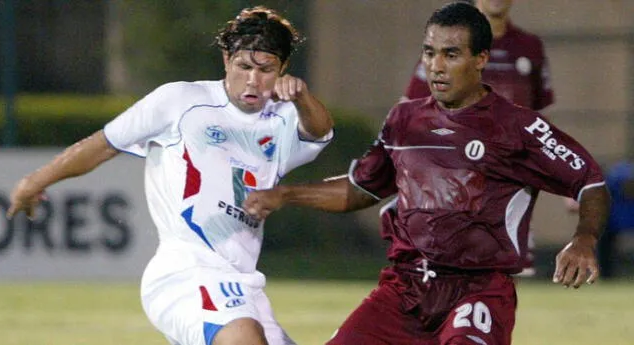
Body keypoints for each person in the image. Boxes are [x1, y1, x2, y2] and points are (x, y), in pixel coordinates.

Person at [244, 3, 609, 344]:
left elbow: (590, 181)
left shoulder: (517, 127)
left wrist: (584, 240)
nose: (436, 65)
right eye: (429, 52)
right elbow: (360, 189)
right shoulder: (404, 120)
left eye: (451, 54)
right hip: (405, 288)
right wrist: (285, 194)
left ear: (480, 59)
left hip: (478, 290)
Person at [6, 6, 333, 345]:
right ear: (226, 59)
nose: (253, 79)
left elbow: (319, 132)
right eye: (244, 66)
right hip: (185, 274)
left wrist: (302, 97)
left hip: (244, 283)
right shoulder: (180, 101)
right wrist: (35, 181)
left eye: (265, 70)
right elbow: (104, 144)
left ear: (283, 69)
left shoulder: (281, 120)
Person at [403, 0, 555, 277]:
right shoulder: (445, 46)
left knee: (506, 274)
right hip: (453, 179)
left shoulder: (529, 47)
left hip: (510, 182)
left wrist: (564, 177)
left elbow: (539, 122)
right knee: (446, 271)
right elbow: (410, 109)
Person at [566, 160, 634, 279]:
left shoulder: (619, 175)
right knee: (601, 238)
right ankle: (604, 274)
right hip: (611, 223)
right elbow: (573, 206)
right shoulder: (606, 182)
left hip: (617, 220)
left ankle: (604, 274)